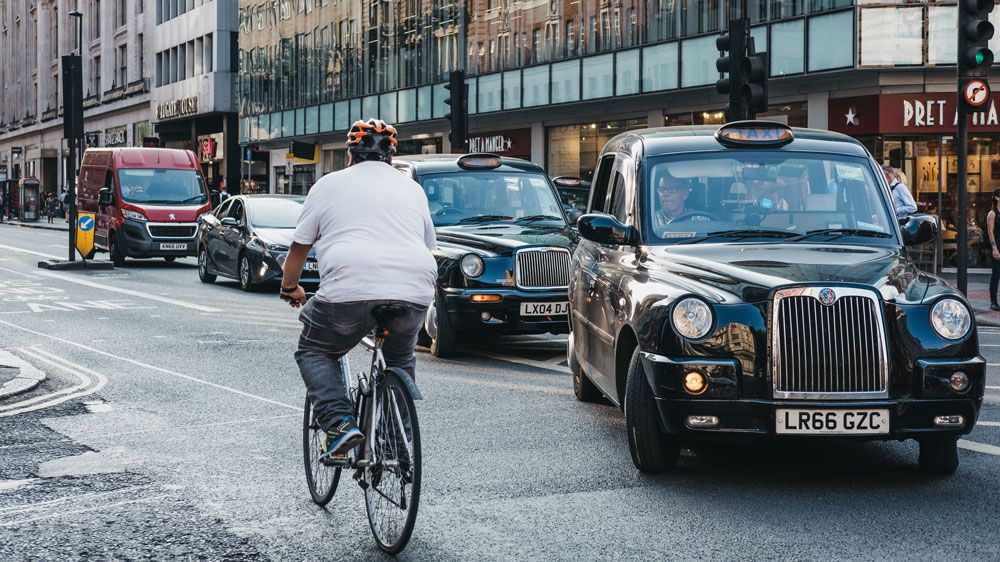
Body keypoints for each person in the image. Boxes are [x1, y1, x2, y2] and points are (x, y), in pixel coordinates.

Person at [280, 118, 437, 458]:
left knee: (315, 350)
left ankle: (339, 424)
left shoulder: (328, 184)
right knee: (399, 358)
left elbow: (298, 249)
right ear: (391, 158)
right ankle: (397, 447)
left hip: (349, 288)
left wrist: (290, 287)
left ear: (349, 155)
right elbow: (427, 243)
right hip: (415, 286)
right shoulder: (412, 188)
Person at [989, 188, 1000, 311]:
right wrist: (994, 248)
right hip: (997, 245)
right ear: (997, 197)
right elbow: (990, 232)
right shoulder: (992, 214)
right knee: (996, 274)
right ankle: (993, 302)